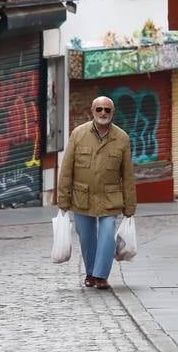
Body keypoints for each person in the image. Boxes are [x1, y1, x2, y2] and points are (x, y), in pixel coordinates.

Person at [58, 95, 136, 290]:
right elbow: (67, 169)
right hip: (81, 196)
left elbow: (127, 174)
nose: (103, 113)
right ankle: (91, 273)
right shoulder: (78, 134)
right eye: (99, 109)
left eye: (107, 110)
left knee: (107, 234)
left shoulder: (122, 138)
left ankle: (101, 275)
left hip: (110, 197)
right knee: (86, 237)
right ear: (92, 112)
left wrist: (130, 206)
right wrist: (63, 199)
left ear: (112, 113)